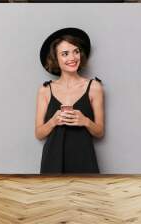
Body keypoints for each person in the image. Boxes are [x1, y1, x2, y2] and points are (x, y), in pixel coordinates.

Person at [35, 27, 105, 174]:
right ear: (56, 58)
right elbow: (39, 133)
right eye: (65, 54)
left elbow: (99, 132)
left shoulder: (94, 87)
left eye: (76, 51)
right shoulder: (45, 90)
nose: (72, 58)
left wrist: (84, 120)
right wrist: (53, 121)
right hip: (52, 162)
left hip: (84, 159)